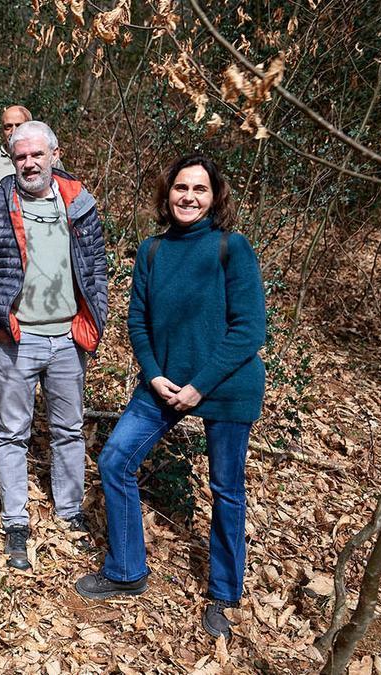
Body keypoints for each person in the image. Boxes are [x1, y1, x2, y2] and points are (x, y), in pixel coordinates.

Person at [74, 154, 266, 642]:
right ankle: (126, 570)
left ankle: (224, 595)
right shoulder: (152, 251)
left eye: (200, 189)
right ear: (168, 194)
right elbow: (137, 321)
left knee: (226, 490)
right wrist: (154, 375)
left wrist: (200, 384)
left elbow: (249, 330)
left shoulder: (232, 248)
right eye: (181, 188)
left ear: (214, 197)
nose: (189, 197)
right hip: (162, 384)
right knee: (116, 460)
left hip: (224, 386)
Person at [0, 121, 107, 571]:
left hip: (67, 338)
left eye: (36, 155)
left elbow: (97, 266)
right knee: (12, 433)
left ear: (54, 155)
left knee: (68, 430)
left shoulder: (79, 204)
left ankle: (69, 512)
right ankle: (15, 520)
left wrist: (94, 318)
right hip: (17, 338)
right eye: (20, 156)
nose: (28, 163)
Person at [0, 105, 65, 378]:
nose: (12, 131)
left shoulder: (49, 166)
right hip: (1, 258)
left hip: (43, 278)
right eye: (7, 126)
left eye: (18, 125)